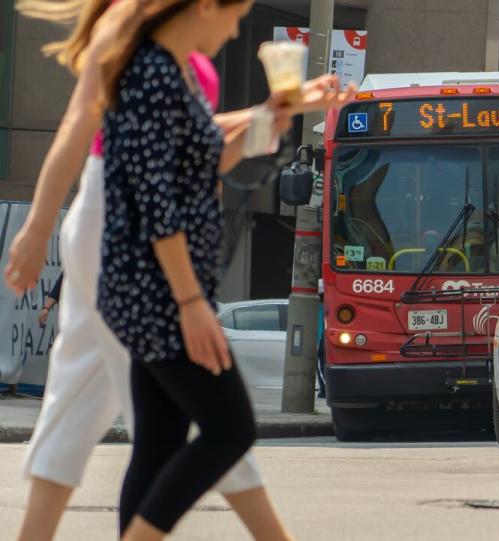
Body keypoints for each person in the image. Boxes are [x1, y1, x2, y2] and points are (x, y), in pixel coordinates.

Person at [5, 1, 354, 539]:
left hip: (144, 243)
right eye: (236, 12)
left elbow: (199, 146)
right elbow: (107, 150)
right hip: (131, 241)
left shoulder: (183, 64)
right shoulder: (134, 52)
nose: (239, 26)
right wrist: (36, 229)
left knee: (138, 423)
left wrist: (281, 109)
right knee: (214, 419)